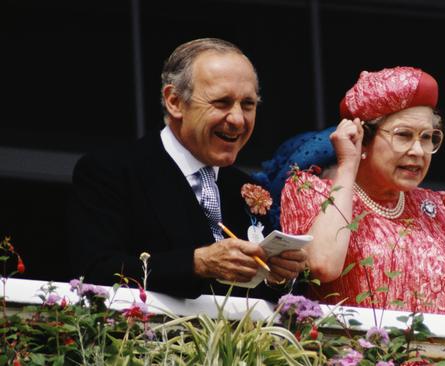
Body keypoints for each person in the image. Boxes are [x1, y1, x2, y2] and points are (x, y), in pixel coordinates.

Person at [67, 38, 306, 300]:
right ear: (175, 101)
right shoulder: (111, 171)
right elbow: (96, 271)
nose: (238, 119)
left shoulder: (247, 189)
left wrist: (278, 278)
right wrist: (197, 264)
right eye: (222, 102)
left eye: (248, 104)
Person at [280, 66, 445, 318]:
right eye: (403, 135)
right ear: (363, 136)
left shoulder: (441, 208)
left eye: (427, 138)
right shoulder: (311, 192)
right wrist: (348, 164)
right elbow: (323, 265)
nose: (418, 151)